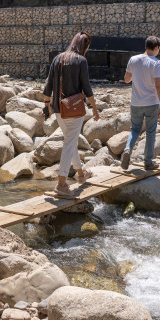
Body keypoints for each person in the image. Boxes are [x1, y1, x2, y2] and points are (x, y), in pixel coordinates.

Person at [43, 31, 100, 196]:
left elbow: (48, 85)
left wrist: (46, 106)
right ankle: (61, 184)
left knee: (71, 140)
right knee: (69, 143)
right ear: (85, 46)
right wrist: (94, 108)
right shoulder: (81, 61)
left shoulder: (57, 59)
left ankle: (81, 174)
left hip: (58, 109)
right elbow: (86, 87)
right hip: (74, 110)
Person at [121, 36, 160, 170]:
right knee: (151, 132)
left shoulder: (133, 59)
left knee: (135, 129)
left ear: (146, 46)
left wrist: (135, 75)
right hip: (152, 103)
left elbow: (126, 80)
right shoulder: (157, 63)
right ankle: (148, 162)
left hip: (136, 102)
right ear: (156, 48)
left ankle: (127, 149)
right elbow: (158, 85)